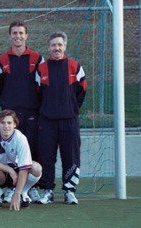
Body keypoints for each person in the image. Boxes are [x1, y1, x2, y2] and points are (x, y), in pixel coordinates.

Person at [0, 20, 45, 203]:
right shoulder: (1, 60)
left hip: (32, 111)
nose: (17, 36)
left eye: (21, 33)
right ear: (9, 37)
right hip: (10, 113)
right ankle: (11, 186)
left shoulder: (37, 58)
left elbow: (42, 84)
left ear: (26, 36)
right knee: (11, 152)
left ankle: (31, 187)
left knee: (32, 150)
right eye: (14, 33)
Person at [35, 31, 87, 205]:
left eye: (59, 45)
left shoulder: (75, 67)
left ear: (65, 46)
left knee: (70, 155)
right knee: (47, 156)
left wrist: (70, 108)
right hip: (47, 121)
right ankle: (47, 190)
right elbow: (38, 93)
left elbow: (82, 91)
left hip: (69, 120)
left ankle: (69, 190)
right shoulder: (41, 69)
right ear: (48, 47)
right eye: (53, 45)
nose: (56, 48)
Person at [0, 109, 43, 210]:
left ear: (15, 124)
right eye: (3, 123)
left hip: (18, 173)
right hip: (1, 173)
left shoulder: (21, 138)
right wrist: (10, 170)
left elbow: (24, 167)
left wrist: (17, 193)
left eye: (9, 123)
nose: (6, 126)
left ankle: (23, 193)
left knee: (36, 167)